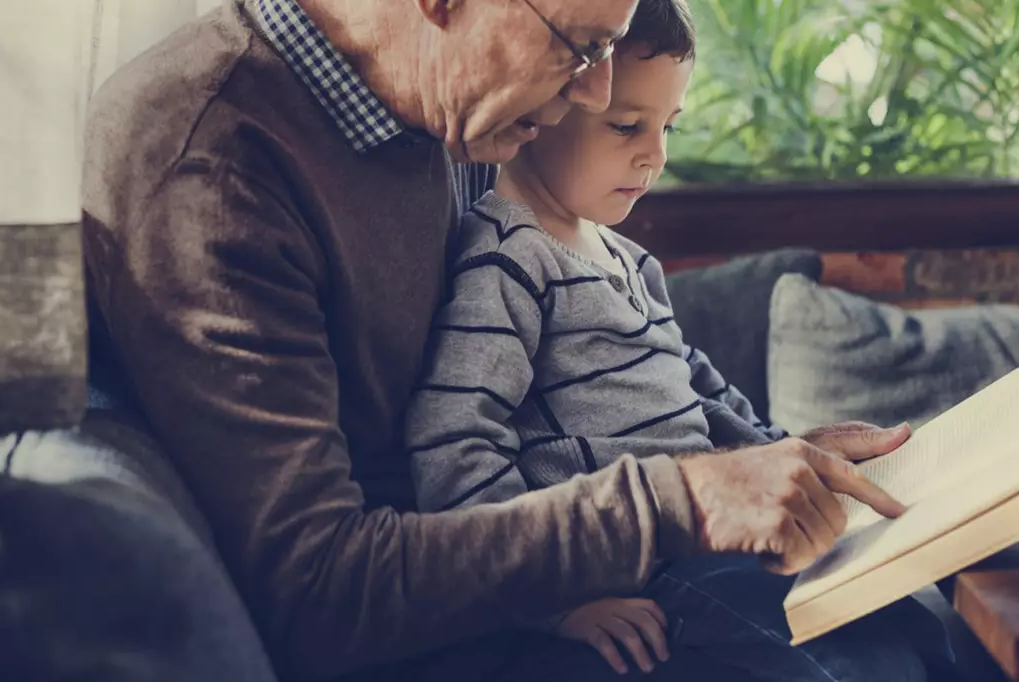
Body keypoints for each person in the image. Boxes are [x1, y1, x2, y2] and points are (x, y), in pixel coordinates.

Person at [79, 0, 953, 679]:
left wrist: (770, 456)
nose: (595, 95)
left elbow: (581, 351)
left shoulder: (443, 105)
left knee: (905, 610)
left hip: (539, 576)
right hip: (436, 638)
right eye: (578, 45)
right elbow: (316, 593)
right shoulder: (211, 158)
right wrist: (678, 501)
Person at [406, 1, 962, 681]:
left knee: (912, 614)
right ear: (548, 102)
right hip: (647, 565)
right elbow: (453, 444)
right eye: (626, 126)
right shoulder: (506, 261)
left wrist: (787, 451)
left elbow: (698, 385)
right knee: (857, 667)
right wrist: (555, 603)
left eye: (667, 127)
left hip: (720, 535)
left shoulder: (628, 260)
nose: (655, 154)